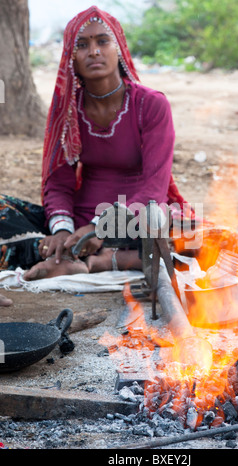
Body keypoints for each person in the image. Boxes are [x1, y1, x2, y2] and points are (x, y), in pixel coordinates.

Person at [0, 5, 191, 287]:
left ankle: (94, 260)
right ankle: (63, 253)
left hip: (136, 220)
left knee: (191, 235)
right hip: (79, 224)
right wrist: (63, 231)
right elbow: (58, 182)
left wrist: (101, 228)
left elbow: (154, 188)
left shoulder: (150, 105)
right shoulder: (67, 110)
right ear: (71, 58)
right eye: (82, 45)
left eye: (103, 41)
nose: (94, 51)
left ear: (119, 49)